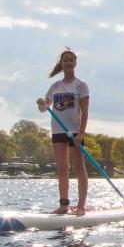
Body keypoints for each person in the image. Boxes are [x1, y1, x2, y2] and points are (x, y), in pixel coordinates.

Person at [36, 49, 89, 215]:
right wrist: (41, 103)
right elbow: (44, 108)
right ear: (62, 64)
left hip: (74, 131)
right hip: (58, 131)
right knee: (62, 169)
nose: (68, 62)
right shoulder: (55, 86)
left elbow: (85, 111)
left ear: (75, 63)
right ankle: (64, 205)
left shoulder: (81, 85)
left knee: (79, 168)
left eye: (70, 60)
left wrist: (81, 133)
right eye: (65, 60)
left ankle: (81, 206)